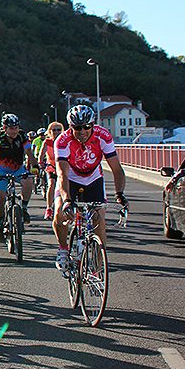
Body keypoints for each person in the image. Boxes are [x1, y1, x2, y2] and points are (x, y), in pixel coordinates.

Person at [52, 105, 128, 273]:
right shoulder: (62, 141)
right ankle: (63, 249)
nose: (82, 131)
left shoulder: (103, 136)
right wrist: (67, 201)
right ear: (70, 127)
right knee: (59, 213)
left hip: (93, 178)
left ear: (93, 125)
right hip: (70, 178)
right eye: (77, 127)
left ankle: (98, 268)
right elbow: (62, 174)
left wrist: (120, 194)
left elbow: (117, 169)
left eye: (87, 126)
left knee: (99, 222)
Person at [0, 113, 37, 242]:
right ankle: (0, 223)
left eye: (16, 128)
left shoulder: (22, 136)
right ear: (4, 128)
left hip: (18, 169)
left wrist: (35, 166)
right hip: (1, 170)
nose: (14, 131)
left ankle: (23, 208)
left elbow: (30, 153)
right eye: (11, 128)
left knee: (29, 181)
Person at [39, 122, 64, 220]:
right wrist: (40, 162)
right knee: (52, 184)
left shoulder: (64, 141)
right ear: (50, 132)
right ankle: (49, 208)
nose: (56, 132)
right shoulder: (47, 142)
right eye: (54, 130)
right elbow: (41, 154)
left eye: (59, 130)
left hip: (62, 167)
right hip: (52, 167)